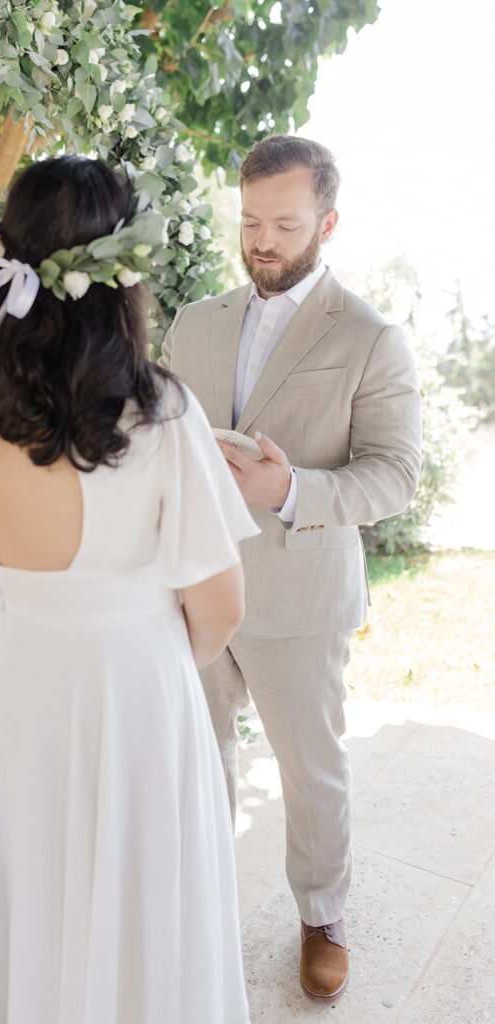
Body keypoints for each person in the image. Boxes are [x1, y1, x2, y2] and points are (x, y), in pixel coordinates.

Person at [0, 155, 260, 1024]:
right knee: (107, 913)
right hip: (109, 702)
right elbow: (220, 606)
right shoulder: (153, 415)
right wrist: (138, 654)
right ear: (121, 271)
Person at [160, 134, 422, 1003]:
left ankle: (321, 916)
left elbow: (394, 475)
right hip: (190, 586)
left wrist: (291, 489)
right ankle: (196, 899)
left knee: (311, 769)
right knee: (193, 755)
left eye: (283, 224)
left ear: (327, 222)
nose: (262, 241)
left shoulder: (373, 338)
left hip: (300, 597)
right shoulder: (193, 322)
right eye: (249, 222)